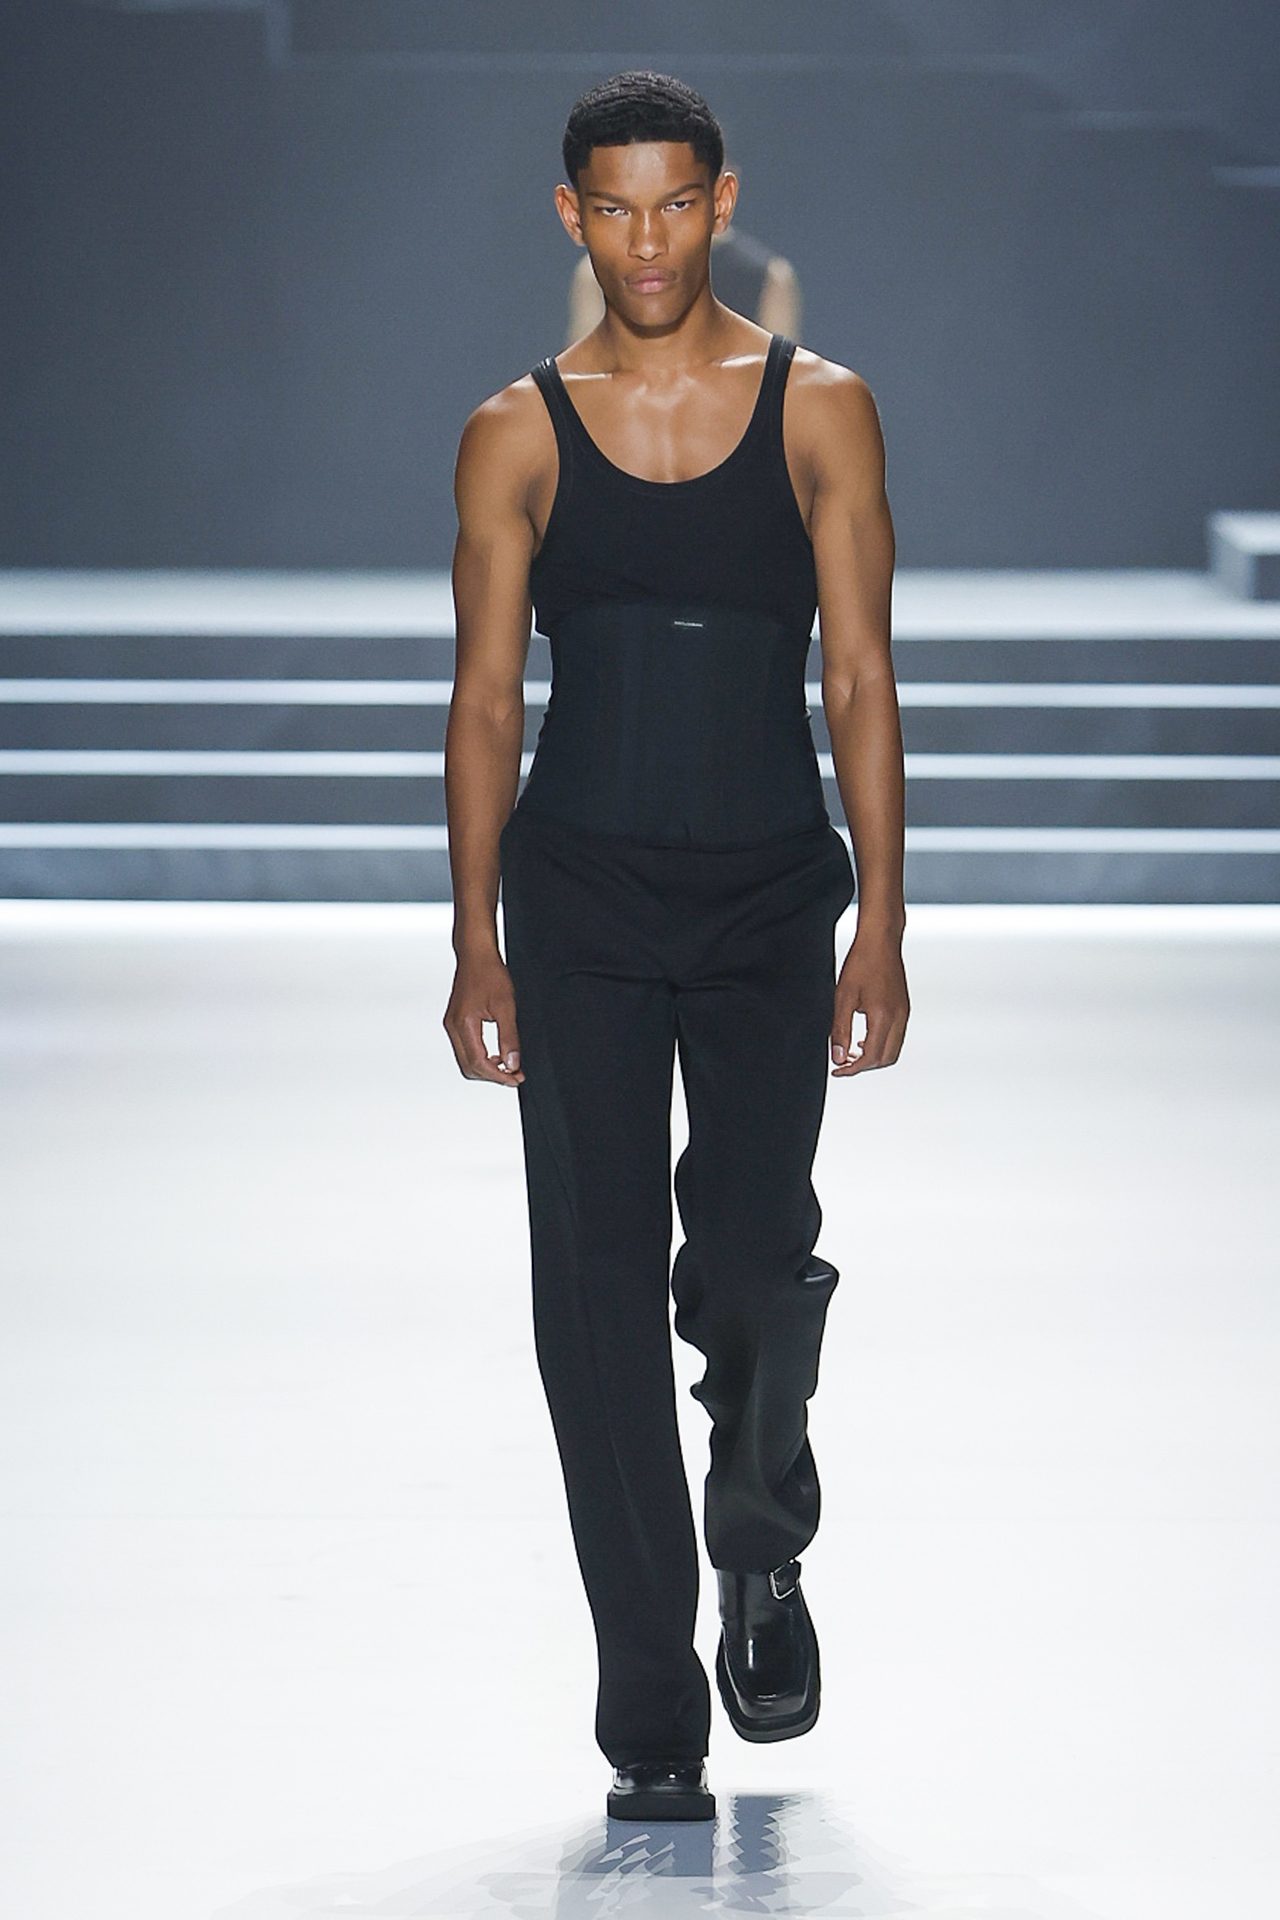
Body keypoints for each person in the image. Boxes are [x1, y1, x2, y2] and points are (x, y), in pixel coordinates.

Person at [443, 70, 909, 1825]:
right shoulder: (512, 432)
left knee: (755, 1256)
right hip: (578, 902)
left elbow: (858, 672)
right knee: (592, 1292)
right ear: (573, 215)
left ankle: (759, 1534)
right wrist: (475, 938)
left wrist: (883, 917)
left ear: (720, 200)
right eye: (613, 208)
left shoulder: (822, 409)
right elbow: (487, 700)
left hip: (771, 893)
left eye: (674, 204)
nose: (647, 241)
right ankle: (650, 1701)